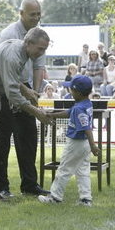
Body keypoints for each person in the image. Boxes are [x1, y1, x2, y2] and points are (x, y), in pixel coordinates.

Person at [0, 27, 53, 201]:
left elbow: (5, 74)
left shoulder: (18, 49)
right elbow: (13, 95)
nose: (42, 52)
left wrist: (26, 90)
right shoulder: (14, 55)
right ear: (29, 43)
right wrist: (36, 112)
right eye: (40, 48)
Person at [0, 0, 49, 199]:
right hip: (5, 90)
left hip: (26, 88)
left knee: (29, 139)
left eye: (39, 14)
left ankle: (30, 185)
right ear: (21, 13)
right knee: (3, 140)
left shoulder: (39, 35)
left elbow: (39, 67)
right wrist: (24, 91)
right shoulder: (8, 35)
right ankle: (1, 186)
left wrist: (35, 94)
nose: (37, 17)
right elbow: (6, 75)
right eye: (33, 14)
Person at [37, 75, 100, 206]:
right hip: (84, 145)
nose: (70, 92)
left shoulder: (79, 108)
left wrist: (93, 145)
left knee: (64, 169)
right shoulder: (85, 103)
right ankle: (86, 199)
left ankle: (55, 197)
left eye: (71, 90)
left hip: (76, 143)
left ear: (78, 92)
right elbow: (68, 112)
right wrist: (51, 115)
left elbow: (86, 127)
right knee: (83, 171)